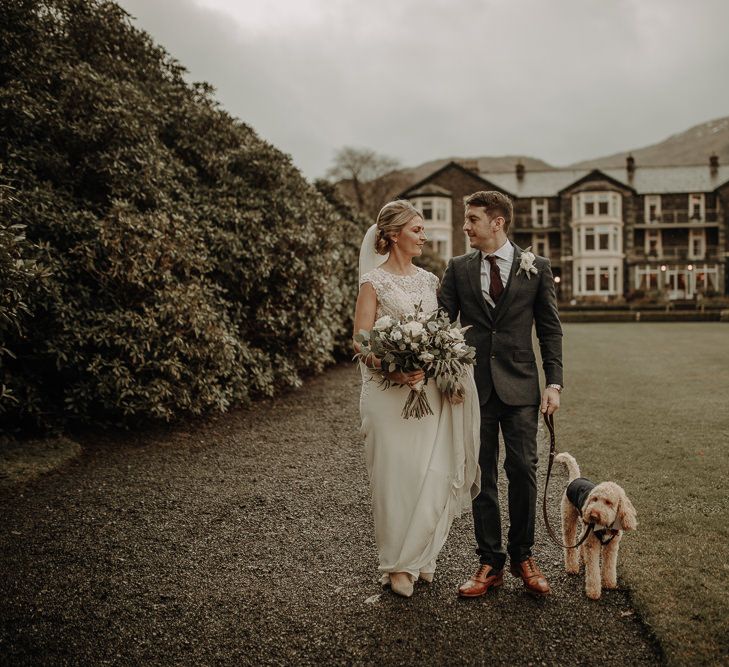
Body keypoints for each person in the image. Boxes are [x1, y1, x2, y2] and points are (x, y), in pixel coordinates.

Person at [438, 191, 563, 598]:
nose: (465, 227)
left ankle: (524, 556)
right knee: (481, 475)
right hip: (473, 389)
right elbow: (441, 326)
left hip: (522, 387)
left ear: (497, 222)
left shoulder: (537, 268)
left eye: (472, 219)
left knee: (523, 470)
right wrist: (446, 375)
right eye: (465, 219)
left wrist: (554, 384)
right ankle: (489, 562)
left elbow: (549, 330)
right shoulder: (457, 268)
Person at [354, 200, 481, 598]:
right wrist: (390, 366)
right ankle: (396, 565)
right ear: (393, 235)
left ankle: (422, 555)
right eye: (417, 229)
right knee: (395, 475)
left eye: (423, 230)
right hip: (389, 393)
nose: (423, 236)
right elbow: (359, 339)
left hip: (428, 391)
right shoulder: (373, 282)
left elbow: (439, 331)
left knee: (430, 470)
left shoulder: (429, 281)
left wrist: (440, 359)